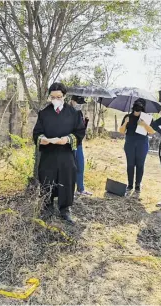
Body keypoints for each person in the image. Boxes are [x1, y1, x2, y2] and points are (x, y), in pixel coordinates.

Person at [33, 83, 86, 224]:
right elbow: (37, 133)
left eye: (59, 97)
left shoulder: (74, 113)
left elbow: (80, 132)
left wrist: (67, 139)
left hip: (66, 153)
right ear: (49, 97)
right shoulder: (44, 113)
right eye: (53, 97)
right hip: (48, 154)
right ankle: (47, 207)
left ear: (64, 96)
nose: (56, 99)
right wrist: (42, 139)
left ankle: (65, 209)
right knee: (46, 179)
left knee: (67, 179)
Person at [119, 98, 155, 194]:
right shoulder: (127, 116)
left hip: (142, 143)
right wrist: (126, 122)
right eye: (135, 109)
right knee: (130, 164)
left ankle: (138, 185)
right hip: (130, 143)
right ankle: (130, 185)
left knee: (140, 165)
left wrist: (144, 124)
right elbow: (121, 131)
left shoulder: (147, 118)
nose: (137, 112)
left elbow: (152, 131)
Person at [69, 95, 92, 196]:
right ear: (72, 101)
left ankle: (80, 189)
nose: (80, 105)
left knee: (80, 166)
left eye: (81, 103)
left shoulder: (79, 113)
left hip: (79, 144)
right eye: (78, 103)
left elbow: (81, 130)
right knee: (71, 168)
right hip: (69, 144)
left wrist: (85, 122)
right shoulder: (67, 112)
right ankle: (69, 190)